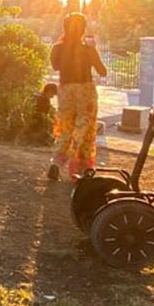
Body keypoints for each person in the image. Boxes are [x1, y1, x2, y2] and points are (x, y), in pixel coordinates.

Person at [48, 12, 107, 181]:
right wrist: (92, 50)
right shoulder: (88, 50)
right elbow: (103, 71)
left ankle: (57, 163)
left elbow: (56, 66)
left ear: (64, 28)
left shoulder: (57, 48)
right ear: (83, 30)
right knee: (85, 130)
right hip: (86, 91)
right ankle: (80, 169)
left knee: (66, 128)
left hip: (66, 90)